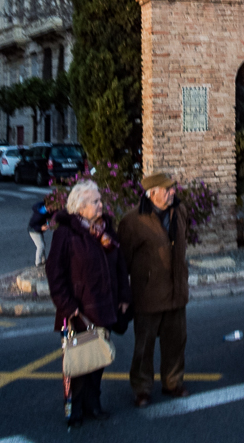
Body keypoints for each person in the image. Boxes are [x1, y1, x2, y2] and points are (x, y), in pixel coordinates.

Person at [45, 181, 131, 428]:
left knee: (97, 360)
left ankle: (94, 404)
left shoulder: (105, 230)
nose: (101, 205)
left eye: (100, 200)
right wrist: (67, 304)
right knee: (76, 364)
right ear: (80, 208)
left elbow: (120, 263)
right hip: (77, 313)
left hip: (104, 307)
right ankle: (73, 409)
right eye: (95, 202)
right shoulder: (66, 233)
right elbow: (55, 272)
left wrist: (124, 296)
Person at [118, 171, 190, 407]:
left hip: (176, 292)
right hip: (148, 295)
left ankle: (173, 382)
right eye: (168, 189)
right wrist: (124, 293)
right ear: (152, 193)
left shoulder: (179, 212)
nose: (173, 192)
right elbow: (123, 261)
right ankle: (142, 388)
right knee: (144, 346)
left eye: (172, 188)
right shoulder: (133, 221)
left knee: (176, 342)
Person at [28, 200, 51, 267]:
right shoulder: (38, 215)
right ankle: (38, 262)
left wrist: (47, 224)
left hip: (38, 230)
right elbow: (33, 225)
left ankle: (43, 260)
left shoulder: (46, 211)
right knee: (41, 245)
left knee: (42, 244)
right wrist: (41, 228)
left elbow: (49, 218)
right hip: (34, 231)